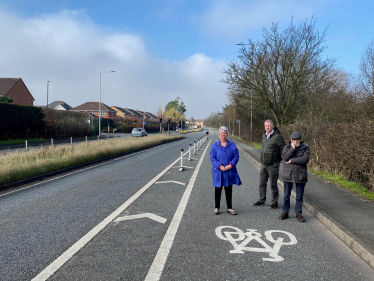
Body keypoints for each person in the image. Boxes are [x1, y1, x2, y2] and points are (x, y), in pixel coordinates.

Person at [253, 119, 285, 209]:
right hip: (264, 164)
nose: (267, 127)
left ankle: (274, 202)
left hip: (273, 164)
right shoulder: (264, 135)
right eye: (266, 126)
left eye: (269, 126)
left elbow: (283, 149)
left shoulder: (278, 136)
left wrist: (280, 160)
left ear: (272, 126)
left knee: (273, 184)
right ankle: (261, 200)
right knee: (262, 183)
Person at [210, 126, 242, 215]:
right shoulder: (214, 146)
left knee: (228, 189)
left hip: (229, 171)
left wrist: (229, 165)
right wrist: (220, 166)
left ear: (227, 134)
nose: (223, 135)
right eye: (221, 133)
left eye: (225, 133)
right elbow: (212, 158)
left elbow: (236, 157)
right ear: (219, 135)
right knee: (218, 189)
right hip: (218, 171)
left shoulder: (232, 145)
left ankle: (229, 207)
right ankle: (217, 207)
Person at [279, 132, 310, 222]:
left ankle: (298, 213)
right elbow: (285, 158)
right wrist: (292, 149)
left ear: (300, 139)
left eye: (296, 140)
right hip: (288, 174)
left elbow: (305, 159)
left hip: (300, 174)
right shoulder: (286, 147)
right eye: (293, 140)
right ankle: (285, 211)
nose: (295, 142)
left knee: (299, 196)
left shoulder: (305, 148)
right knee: (286, 195)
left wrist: (292, 160)